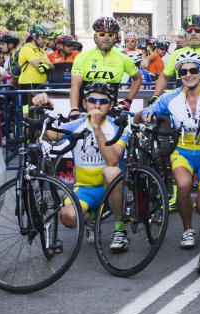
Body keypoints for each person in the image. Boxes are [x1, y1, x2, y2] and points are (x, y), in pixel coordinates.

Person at [138, 51, 200, 248]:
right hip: (182, 151)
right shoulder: (170, 98)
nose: (188, 74)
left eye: (193, 70)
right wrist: (147, 112)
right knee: (184, 186)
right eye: (183, 71)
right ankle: (188, 230)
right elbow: (144, 112)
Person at [35, 83, 131, 248]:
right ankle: (92, 216)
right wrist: (39, 109)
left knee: (111, 171)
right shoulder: (76, 125)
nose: (97, 105)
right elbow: (46, 136)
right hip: (85, 190)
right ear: (85, 103)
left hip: (111, 189)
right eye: (92, 100)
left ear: (112, 105)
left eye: (103, 101)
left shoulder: (119, 126)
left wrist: (96, 128)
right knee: (67, 217)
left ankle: (119, 230)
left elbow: (113, 159)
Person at [69, 17, 142, 115]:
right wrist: (74, 109)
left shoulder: (123, 57)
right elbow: (75, 86)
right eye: (102, 34)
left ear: (116, 37)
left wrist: (128, 101)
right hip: (84, 111)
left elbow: (137, 78)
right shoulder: (82, 57)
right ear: (95, 37)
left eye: (111, 35)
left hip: (110, 111)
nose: (106, 38)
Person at [150, 15, 200, 100]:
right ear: (185, 35)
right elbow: (164, 77)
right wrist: (155, 96)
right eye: (189, 31)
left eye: (197, 30)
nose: (193, 34)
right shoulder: (176, 54)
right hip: (180, 105)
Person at [16, 24, 53, 91]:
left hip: (41, 84)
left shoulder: (41, 51)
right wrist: (47, 64)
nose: (45, 41)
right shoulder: (26, 48)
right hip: (28, 84)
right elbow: (40, 68)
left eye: (46, 38)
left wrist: (47, 65)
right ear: (35, 37)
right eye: (43, 38)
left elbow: (52, 67)